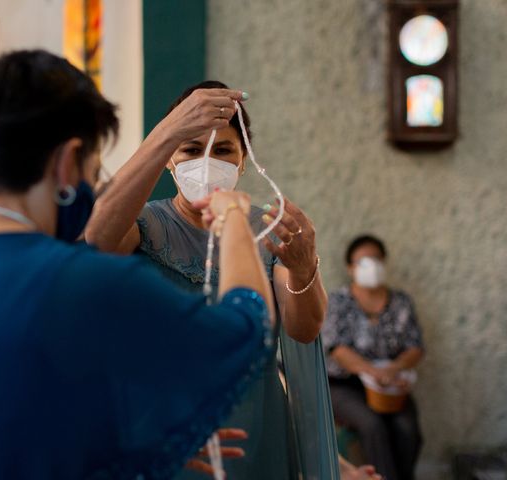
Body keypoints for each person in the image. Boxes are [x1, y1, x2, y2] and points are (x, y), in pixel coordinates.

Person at [0, 50, 276, 479]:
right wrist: (235, 217)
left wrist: (125, 449)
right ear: (69, 160)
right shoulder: (78, 280)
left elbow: (15, 412)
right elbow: (246, 332)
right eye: (97, 165)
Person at [86, 80, 354, 479]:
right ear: (169, 159)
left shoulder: (267, 227)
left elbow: (305, 328)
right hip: (166, 416)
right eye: (191, 150)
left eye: (224, 150)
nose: (207, 161)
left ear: (243, 159)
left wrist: (303, 267)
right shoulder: (143, 224)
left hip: (257, 415)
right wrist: (166, 131)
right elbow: (93, 242)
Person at [323, 235, 425, 480]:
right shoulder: (338, 301)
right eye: (363, 260)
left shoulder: (401, 302)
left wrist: (394, 370)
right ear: (350, 268)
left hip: (390, 386)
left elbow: (415, 346)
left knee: (407, 429)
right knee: (372, 425)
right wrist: (371, 372)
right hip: (345, 385)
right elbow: (336, 348)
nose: (372, 265)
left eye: (376, 259)